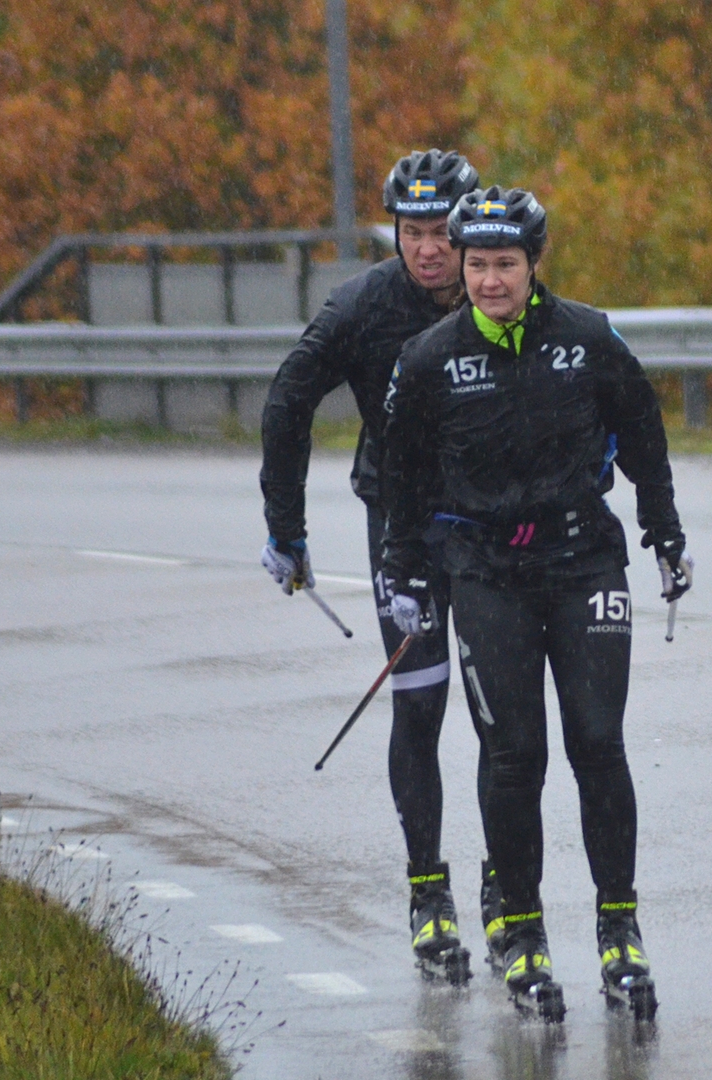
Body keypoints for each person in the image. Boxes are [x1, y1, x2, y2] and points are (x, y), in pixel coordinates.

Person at [380, 185, 691, 1012]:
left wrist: (664, 532)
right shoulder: (431, 358)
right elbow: (400, 476)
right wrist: (406, 569)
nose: (488, 280)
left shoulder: (588, 339)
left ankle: (619, 927)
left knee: (598, 742)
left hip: (583, 562)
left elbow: (644, 436)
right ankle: (520, 930)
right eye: (476, 265)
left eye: (504, 265)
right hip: (484, 572)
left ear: (533, 265)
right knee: (515, 755)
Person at [258, 149, 486, 980]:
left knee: (506, 716)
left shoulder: (503, 285)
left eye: (441, 233)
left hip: (496, 529)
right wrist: (287, 527)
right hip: (403, 528)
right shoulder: (362, 306)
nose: (428, 250)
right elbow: (288, 397)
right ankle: (429, 893)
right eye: (412, 232)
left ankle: (508, 884)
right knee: (420, 707)